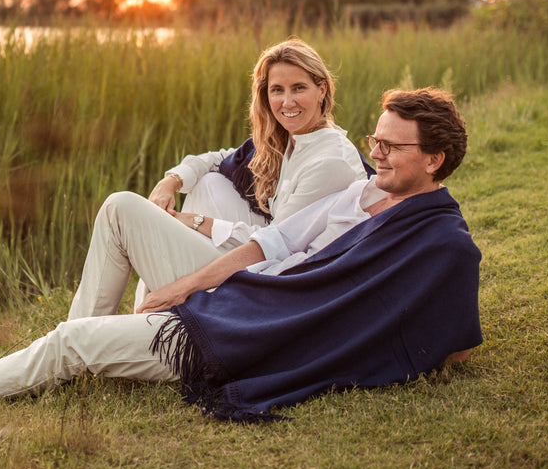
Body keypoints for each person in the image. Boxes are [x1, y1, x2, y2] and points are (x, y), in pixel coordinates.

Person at [0, 88, 482, 421]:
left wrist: (342, 339)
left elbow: (447, 340)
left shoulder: (440, 242)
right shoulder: (364, 191)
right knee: (120, 221)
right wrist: (186, 286)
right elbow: (275, 241)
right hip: (240, 295)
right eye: (377, 139)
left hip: (250, 331)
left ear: (434, 160)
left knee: (72, 342)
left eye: (393, 147)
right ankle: (69, 352)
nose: (378, 153)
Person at [125, 38, 371, 313]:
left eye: (299, 88)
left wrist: (194, 221)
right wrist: (171, 181)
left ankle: (158, 307)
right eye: (277, 90)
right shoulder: (292, 139)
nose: (287, 102)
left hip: (288, 278)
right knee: (209, 183)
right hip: (272, 246)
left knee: (120, 208)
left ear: (321, 90)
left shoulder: (329, 160)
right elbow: (217, 159)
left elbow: (276, 243)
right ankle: (157, 306)